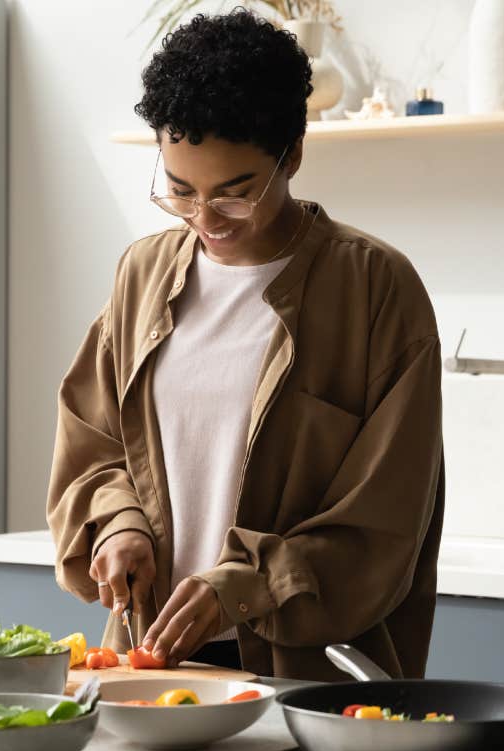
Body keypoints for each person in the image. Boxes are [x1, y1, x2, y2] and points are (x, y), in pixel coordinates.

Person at [46, 9, 444, 681]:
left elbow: (384, 526)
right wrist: (116, 522)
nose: (205, 219)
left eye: (234, 195)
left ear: (292, 154)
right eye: (179, 191)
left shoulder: (376, 288)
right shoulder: (142, 274)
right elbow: (92, 441)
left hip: (307, 684)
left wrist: (240, 586)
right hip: (150, 671)